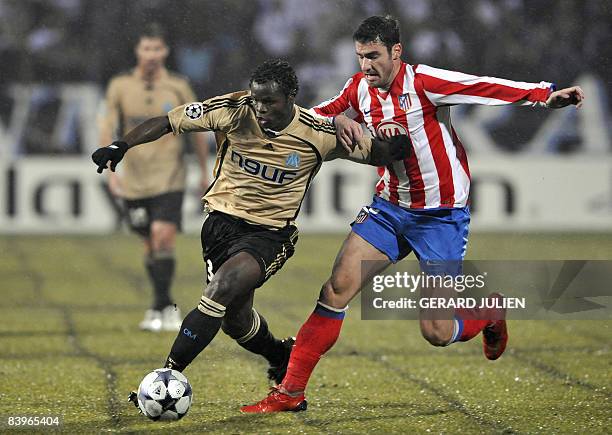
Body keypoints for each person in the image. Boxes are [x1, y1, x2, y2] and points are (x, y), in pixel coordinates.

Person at [241, 15, 585, 413]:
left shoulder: (424, 82)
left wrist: (544, 95)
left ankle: (489, 311)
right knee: (335, 290)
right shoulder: (357, 89)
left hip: (440, 217)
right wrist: (334, 118)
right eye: (360, 57)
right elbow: (314, 117)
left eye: (373, 56)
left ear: (396, 52)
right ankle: (290, 392)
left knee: (437, 332)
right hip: (390, 210)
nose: (366, 66)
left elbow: (482, 86)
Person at [92, 59, 410, 388]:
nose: (259, 108)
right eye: (256, 98)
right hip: (218, 226)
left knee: (221, 288)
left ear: (291, 97)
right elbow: (168, 122)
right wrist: (122, 145)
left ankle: (166, 378)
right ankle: (278, 355)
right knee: (234, 320)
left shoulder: (320, 134)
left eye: (269, 101)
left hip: (268, 234)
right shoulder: (233, 108)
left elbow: (379, 153)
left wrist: (399, 136)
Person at [98, 23, 210, 332]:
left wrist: (204, 171)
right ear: (137, 51)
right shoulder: (119, 85)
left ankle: (164, 307)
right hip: (134, 178)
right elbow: (108, 127)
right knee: (148, 244)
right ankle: (160, 303)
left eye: (157, 49)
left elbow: (199, 132)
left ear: (166, 52)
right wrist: (111, 172)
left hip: (169, 177)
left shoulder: (178, 86)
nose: (151, 55)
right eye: (146, 49)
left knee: (163, 235)